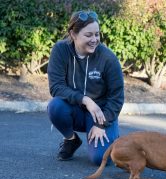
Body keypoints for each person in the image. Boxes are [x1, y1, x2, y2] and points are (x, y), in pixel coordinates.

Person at [47, 10, 124, 165]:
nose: (94, 40)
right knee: (55, 106)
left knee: (100, 159)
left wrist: (101, 124)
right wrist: (85, 100)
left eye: (97, 34)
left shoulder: (108, 58)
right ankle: (71, 139)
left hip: (101, 114)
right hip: (75, 109)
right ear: (73, 35)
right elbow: (56, 87)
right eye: (88, 35)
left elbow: (117, 97)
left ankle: (111, 134)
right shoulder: (60, 50)